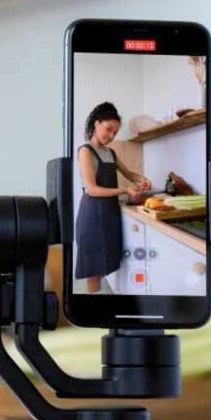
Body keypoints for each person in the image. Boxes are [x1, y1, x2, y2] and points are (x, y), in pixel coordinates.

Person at [75, 102, 149, 294]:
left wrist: (142, 179)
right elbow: (92, 189)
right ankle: (94, 316)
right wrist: (125, 190)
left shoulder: (111, 153)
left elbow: (129, 174)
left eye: (115, 133)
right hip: (92, 215)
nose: (111, 136)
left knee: (107, 261)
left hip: (109, 214)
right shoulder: (85, 151)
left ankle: (104, 308)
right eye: (108, 129)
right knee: (94, 270)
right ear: (96, 123)